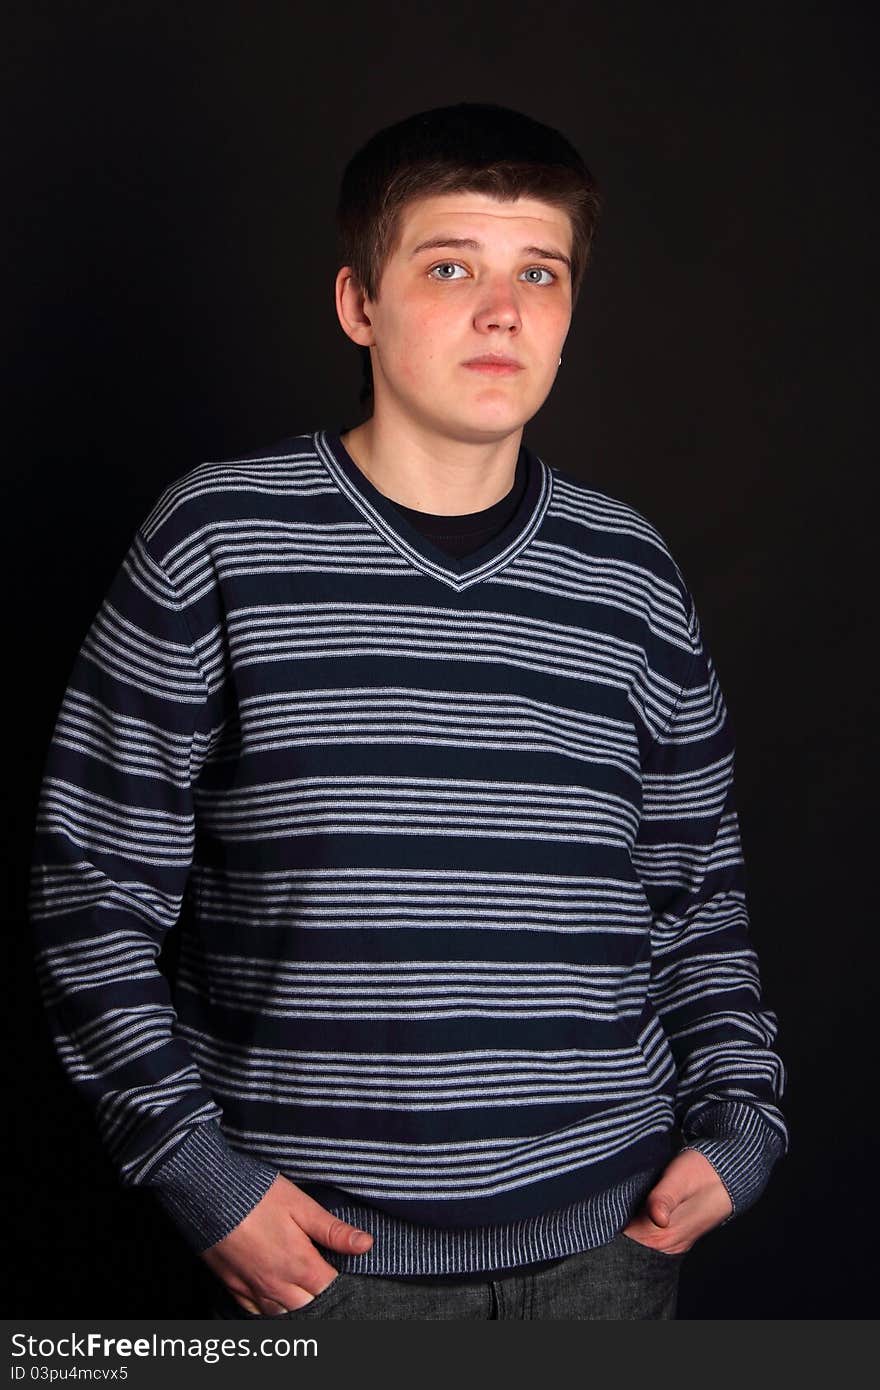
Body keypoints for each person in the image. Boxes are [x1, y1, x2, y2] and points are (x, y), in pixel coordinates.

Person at [28, 102, 789, 1321]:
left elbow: (695, 888)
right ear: (358, 305)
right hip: (317, 1262)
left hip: (611, 1241)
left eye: (537, 272)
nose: (503, 310)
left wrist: (742, 1121)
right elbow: (91, 894)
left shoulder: (629, 570)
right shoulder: (216, 539)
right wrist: (197, 1172)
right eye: (450, 266)